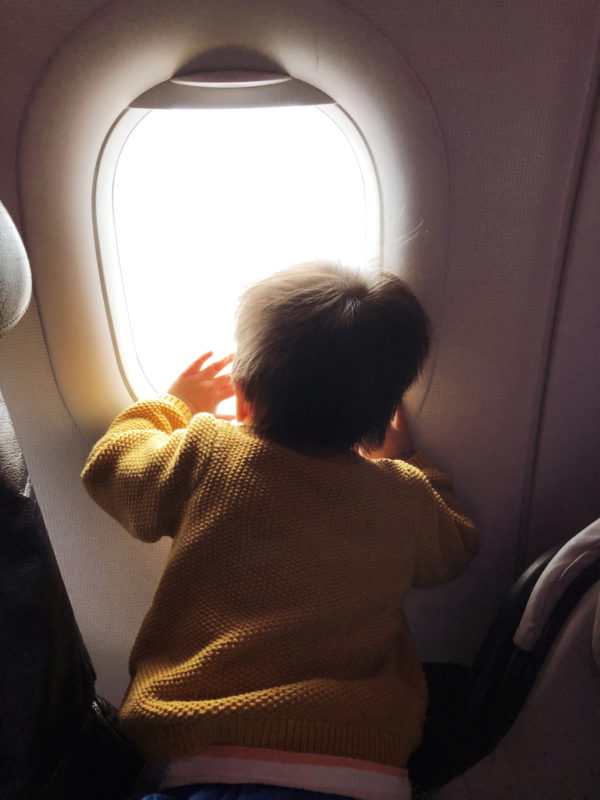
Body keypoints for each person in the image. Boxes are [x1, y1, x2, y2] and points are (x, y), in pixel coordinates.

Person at [81, 262, 478, 800]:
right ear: (384, 416)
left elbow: (111, 469)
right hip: (363, 767)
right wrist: (410, 459)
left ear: (243, 398)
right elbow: (456, 544)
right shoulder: (403, 493)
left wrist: (174, 405)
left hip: (206, 753)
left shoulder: (209, 452)